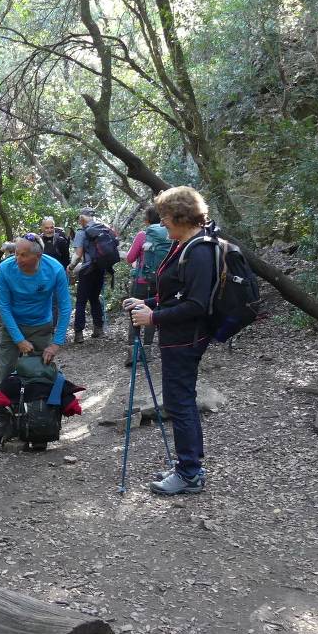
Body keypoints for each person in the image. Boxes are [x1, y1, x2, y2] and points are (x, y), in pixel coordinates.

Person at [122, 186, 216, 496]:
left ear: (181, 216)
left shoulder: (200, 250)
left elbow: (198, 304)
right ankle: (187, 467)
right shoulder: (183, 245)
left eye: (165, 217)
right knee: (179, 401)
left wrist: (154, 318)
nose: (163, 224)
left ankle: (190, 472)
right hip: (177, 336)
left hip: (186, 338)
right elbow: (177, 294)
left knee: (181, 402)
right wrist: (146, 301)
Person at [0, 235, 73, 384]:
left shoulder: (55, 270)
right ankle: (3, 406)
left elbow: (65, 307)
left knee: (41, 371)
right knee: (6, 370)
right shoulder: (6, 268)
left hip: (40, 325)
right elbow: (3, 306)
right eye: (16, 253)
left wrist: (56, 344)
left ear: (38, 256)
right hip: (11, 324)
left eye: (23, 255)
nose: (17, 259)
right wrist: (19, 340)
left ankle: (39, 406)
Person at [123, 205, 171, 366]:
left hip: (141, 281)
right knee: (151, 313)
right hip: (160, 281)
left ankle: (132, 353)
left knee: (134, 313)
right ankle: (148, 351)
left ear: (147, 220)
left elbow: (130, 258)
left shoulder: (143, 235)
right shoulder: (169, 235)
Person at [67, 207, 108, 342]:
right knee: (95, 298)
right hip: (101, 268)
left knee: (81, 302)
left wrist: (71, 267)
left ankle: (79, 334)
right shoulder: (103, 228)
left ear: (82, 218)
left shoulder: (81, 232)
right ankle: (99, 329)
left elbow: (78, 255)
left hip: (87, 270)